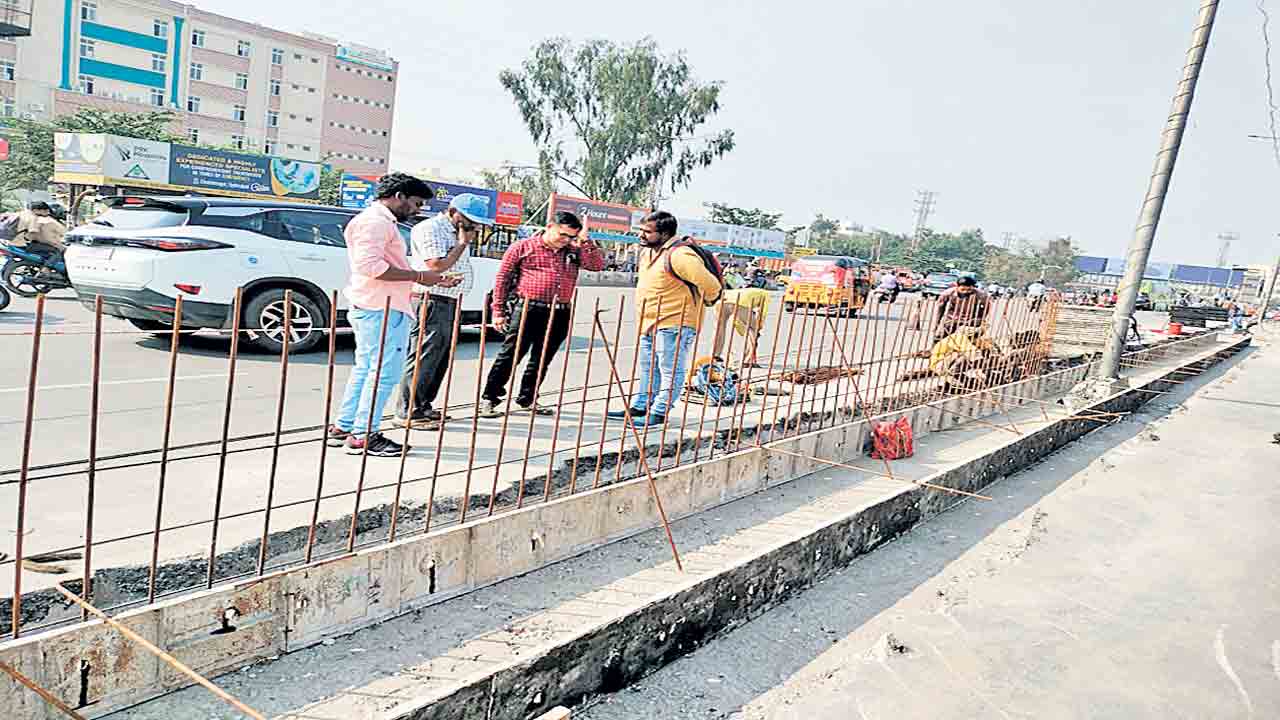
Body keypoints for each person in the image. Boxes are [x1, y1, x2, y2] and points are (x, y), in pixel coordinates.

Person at [326, 174, 459, 457]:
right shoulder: (375, 222)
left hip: (377, 304)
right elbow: (371, 267)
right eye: (415, 203)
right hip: (381, 308)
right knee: (384, 373)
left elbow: (383, 268)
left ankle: (345, 427)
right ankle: (364, 436)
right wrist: (421, 275)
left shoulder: (377, 221)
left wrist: (427, 279)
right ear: (399, 196)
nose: (417, 210)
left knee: (366, 369)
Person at [479, 211, 603, 417]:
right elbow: (503, 279)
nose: (566, 240)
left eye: (571, 237)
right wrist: (498, 311)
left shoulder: (573, 251)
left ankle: (528, 398)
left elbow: (596, 266)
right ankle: (489, 399)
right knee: (511, 355)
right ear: (549, 226)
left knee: (542, 357)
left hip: (560, 311)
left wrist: (585, 241)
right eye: (562, 234)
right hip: (528, 309)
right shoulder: (523, 247)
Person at [608, 211, 723, 427]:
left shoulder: (680, 256)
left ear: (664, 234)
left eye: (647, 232)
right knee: (648, 368)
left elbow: (711, 286)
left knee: (670, 369)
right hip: (649, 321)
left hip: (675, 323)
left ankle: (659, 411)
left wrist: (702, 304)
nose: (641, 236)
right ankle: (641, 406)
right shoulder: (649, 254)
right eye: (641, 230)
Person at [396, 193, 491, 430]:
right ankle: (409, 411)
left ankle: (424, 405)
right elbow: (436, 265)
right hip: (431, 300)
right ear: (452, 212)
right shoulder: (431, 229)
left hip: (449, 299)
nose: (473, 226)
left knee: (440, 358)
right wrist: (462, 244)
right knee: (424, 356)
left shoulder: (458, 231)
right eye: (469, 220)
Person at [711, 286, 771, 367]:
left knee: (719, 329)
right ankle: (748, 360)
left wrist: (742, 329)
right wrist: (758, 327)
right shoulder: (766, 294)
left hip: (722, 301)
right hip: (740, 302)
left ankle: (715, 355)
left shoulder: (746, 291)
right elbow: (762, 314)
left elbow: (738, 321)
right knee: (752, 329)